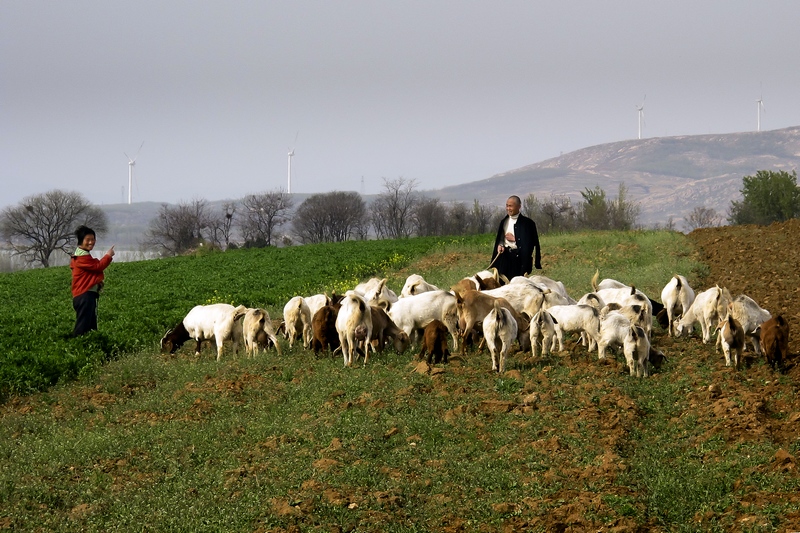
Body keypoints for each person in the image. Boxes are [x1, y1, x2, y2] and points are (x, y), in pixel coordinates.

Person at [70, 225, 115, 337]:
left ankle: (90, 348)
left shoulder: (82, 255)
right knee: (83, 328)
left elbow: (90, 272)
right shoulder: (81, 257)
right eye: (88, 240)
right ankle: (76, 346)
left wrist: (97, 283)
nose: (91, 242)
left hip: (86, 295)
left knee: (90, 327)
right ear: (81, 241)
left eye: (93, 239)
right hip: (84, 296)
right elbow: (97, 267)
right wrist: (108, 256)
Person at [490, 195, 542, 280]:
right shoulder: (504, 221)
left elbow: (531, 244)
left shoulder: (528, 224)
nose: (508, 208)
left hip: (518, 260)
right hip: (505, 258)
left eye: (510, 206)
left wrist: (515, 239)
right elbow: (500, 239)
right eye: (507, 206)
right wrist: (500, 244)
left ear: (519, 206)